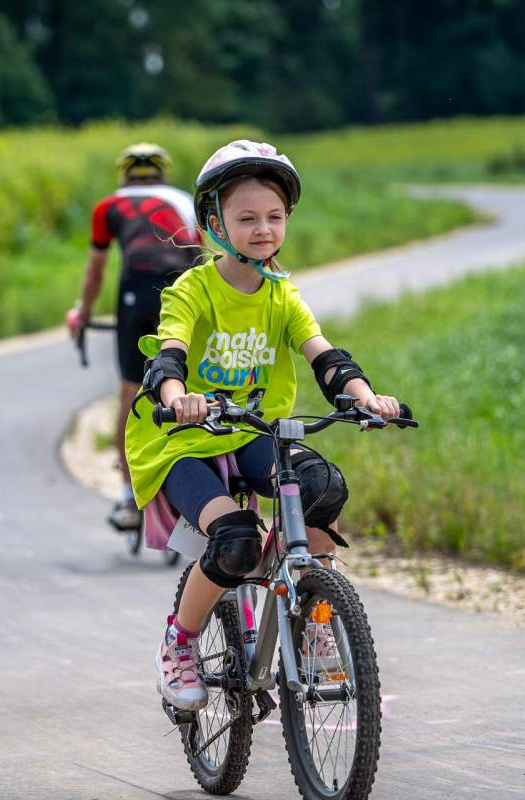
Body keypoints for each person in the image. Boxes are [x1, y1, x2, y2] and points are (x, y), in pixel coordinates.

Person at [124, 140, 402, 711]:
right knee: (234, 541)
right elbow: (168, 356)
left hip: (252, 430)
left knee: (323, 488)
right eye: (246, 218)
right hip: (181, 442)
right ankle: (179, 643)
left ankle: (314, 611)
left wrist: (365, 397)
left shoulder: (282, 295)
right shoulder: (192, 289)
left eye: (274, 217)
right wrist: (178, 397)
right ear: (213, 222)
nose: (262, 229)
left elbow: (325, 356)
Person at [67, 143, 201, 531]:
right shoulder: (185, 201)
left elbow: (95, 272)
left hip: (136, 292)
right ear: (164, 173)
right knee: (191, 384)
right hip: (185, 287)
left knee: (130, 390)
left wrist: (83, 314)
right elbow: (207, 255)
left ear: (124, 174)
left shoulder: (107, 207)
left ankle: (128, 499)